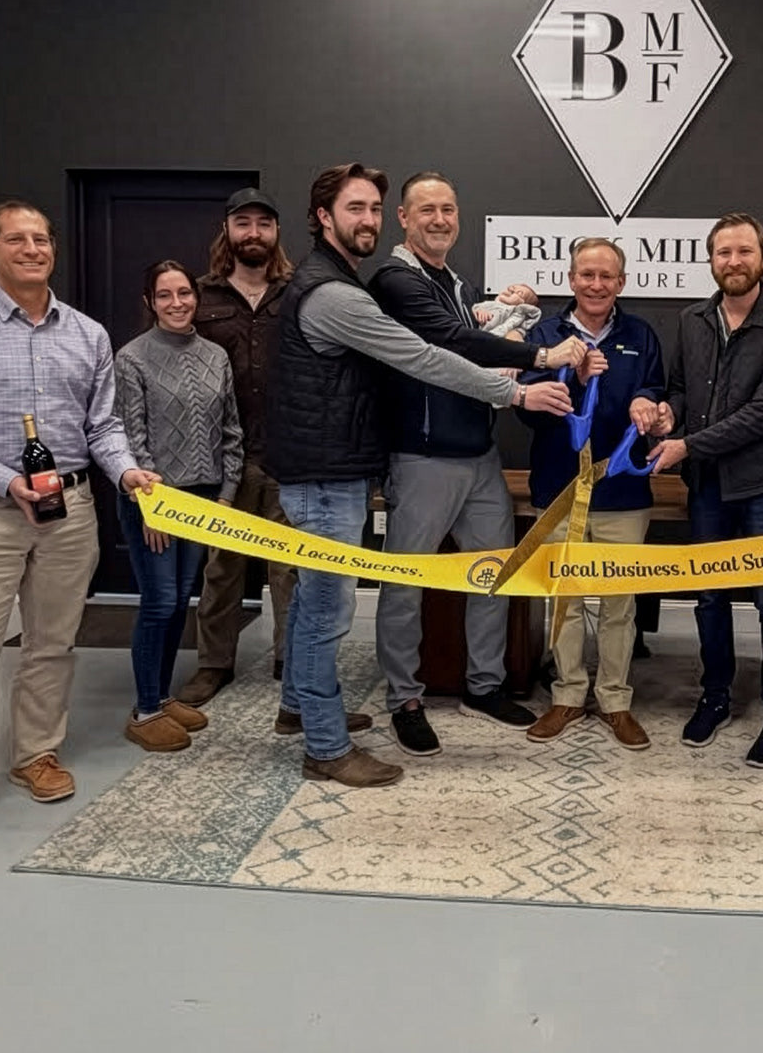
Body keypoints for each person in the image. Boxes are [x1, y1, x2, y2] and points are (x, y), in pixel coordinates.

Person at [262, 162, 573, 788]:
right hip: (343, 468)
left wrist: (509, 316)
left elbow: (466, 331)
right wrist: (525, 378)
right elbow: (428, 355)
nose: (368, 219)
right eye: (358, 209)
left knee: (327, 602)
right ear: (324, 218)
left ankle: (301, 707)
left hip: (384, 460)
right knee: (333, 607)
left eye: (372, 208)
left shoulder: (439, 282)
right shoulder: (347, 291)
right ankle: (335, 741)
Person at [0, 201, 158, 849]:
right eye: (16, 239)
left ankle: (36, 754)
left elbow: (103, 425)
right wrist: (3, 480)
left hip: (69, 510)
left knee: (52, 642)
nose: (33, 249)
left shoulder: (88, 335)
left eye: (41, 239)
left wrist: (127, 472)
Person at [367, 172, 586, 756]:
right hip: (422, 458)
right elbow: (453, 344)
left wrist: (515, 309)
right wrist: (541, 351)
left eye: (449, 209)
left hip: (480, 455)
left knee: (496, 573)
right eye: (427, 210)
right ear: (404, 220)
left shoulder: (453, 281)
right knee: (405, 583)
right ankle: (404, 700)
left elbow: (476, 332)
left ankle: (484, 686)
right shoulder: (394, 280)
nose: (440, 219)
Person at [649, 212, 763, 769]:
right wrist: (669, 413)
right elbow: (680, 389)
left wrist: (688, 445)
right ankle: (715, 696)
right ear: (711, 261)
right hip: (707, 486)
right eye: (723, 253)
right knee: (709, 597)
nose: (734, 262)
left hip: (762, 482)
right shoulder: (693, 319)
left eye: (744, 252)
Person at [515, 238, 665, 749]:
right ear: (571, 279)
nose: (596, 285)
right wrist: (575, 379)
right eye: (586, 275)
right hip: (557, 488)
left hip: (624, 491)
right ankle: (568, 695)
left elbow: (657, 390)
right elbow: (523, 409)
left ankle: (616, 701)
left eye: (607, 276)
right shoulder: (544, 333)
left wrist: (649, 403)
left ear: (621, 283)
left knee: (620, 602)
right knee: (566, 598)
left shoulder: (641, 335)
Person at [114, 261, 244, 752]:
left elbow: (232, 431)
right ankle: (145, 709)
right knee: (160, 601)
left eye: (184, 293)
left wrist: (227, 497)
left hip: (205, 497)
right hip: (155, 501)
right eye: (164, 295)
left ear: (196, 297)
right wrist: (152, 506)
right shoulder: (132, 359)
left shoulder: (216, 355)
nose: (177, 303)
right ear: (150, 302)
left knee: (181, 601)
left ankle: (162, 697)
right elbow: (131, 435)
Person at [181, 188, 296, 706]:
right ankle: (213, 664)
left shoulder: (297, 293)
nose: (254, 233)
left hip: (288, 454)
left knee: (289, 567)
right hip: (221, 458)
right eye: (243, 223)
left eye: (263, 224)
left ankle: (291, 661)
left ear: (276, 233)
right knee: (222, 567)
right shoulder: (198, 297)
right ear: (227, 230)